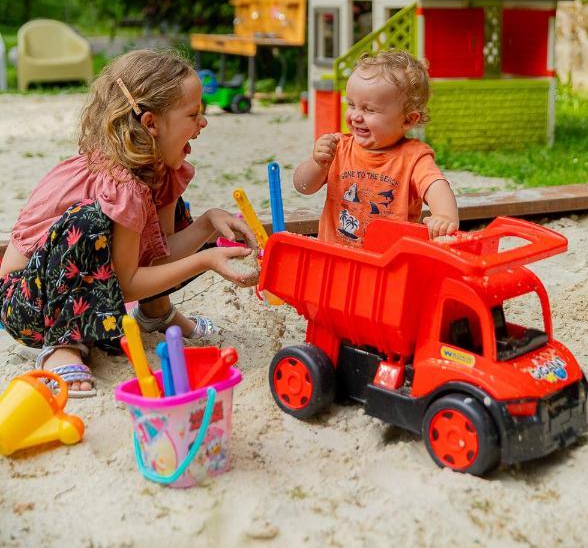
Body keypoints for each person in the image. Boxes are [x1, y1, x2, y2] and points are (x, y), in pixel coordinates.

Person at [0, 49, 257, 397]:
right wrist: (206, 259)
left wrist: (209, 224)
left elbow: (159, 256)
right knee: (88, 223)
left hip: (83, 295)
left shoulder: (158, 173)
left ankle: (156, 314)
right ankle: (62, 346)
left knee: (178, 212)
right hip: (30, 305)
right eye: (193, 114)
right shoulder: (120, 183)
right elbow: (127, 284)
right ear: (151, 124)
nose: (203, 122)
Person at [293, 50, 458, 246]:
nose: (355, 116)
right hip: (336, 254)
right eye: (352, 105)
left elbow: (436, 186)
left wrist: (445, 216)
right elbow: (303, 186)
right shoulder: (339, 147)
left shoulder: (413, 157)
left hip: (386, 261)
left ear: (407, 119)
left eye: (369, 109)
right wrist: (317, 164)